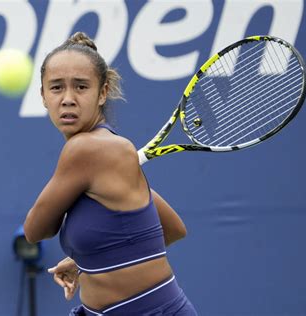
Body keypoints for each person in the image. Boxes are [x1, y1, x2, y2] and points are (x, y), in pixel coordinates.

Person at [23, 32, 197, 315]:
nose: (67, 99)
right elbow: (173, 228)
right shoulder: (111, 157)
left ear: (103, 93)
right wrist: (90, 260)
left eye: (81, 87)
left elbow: (35, 229)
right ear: (43, 95)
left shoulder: (85, 150)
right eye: (56, 88)